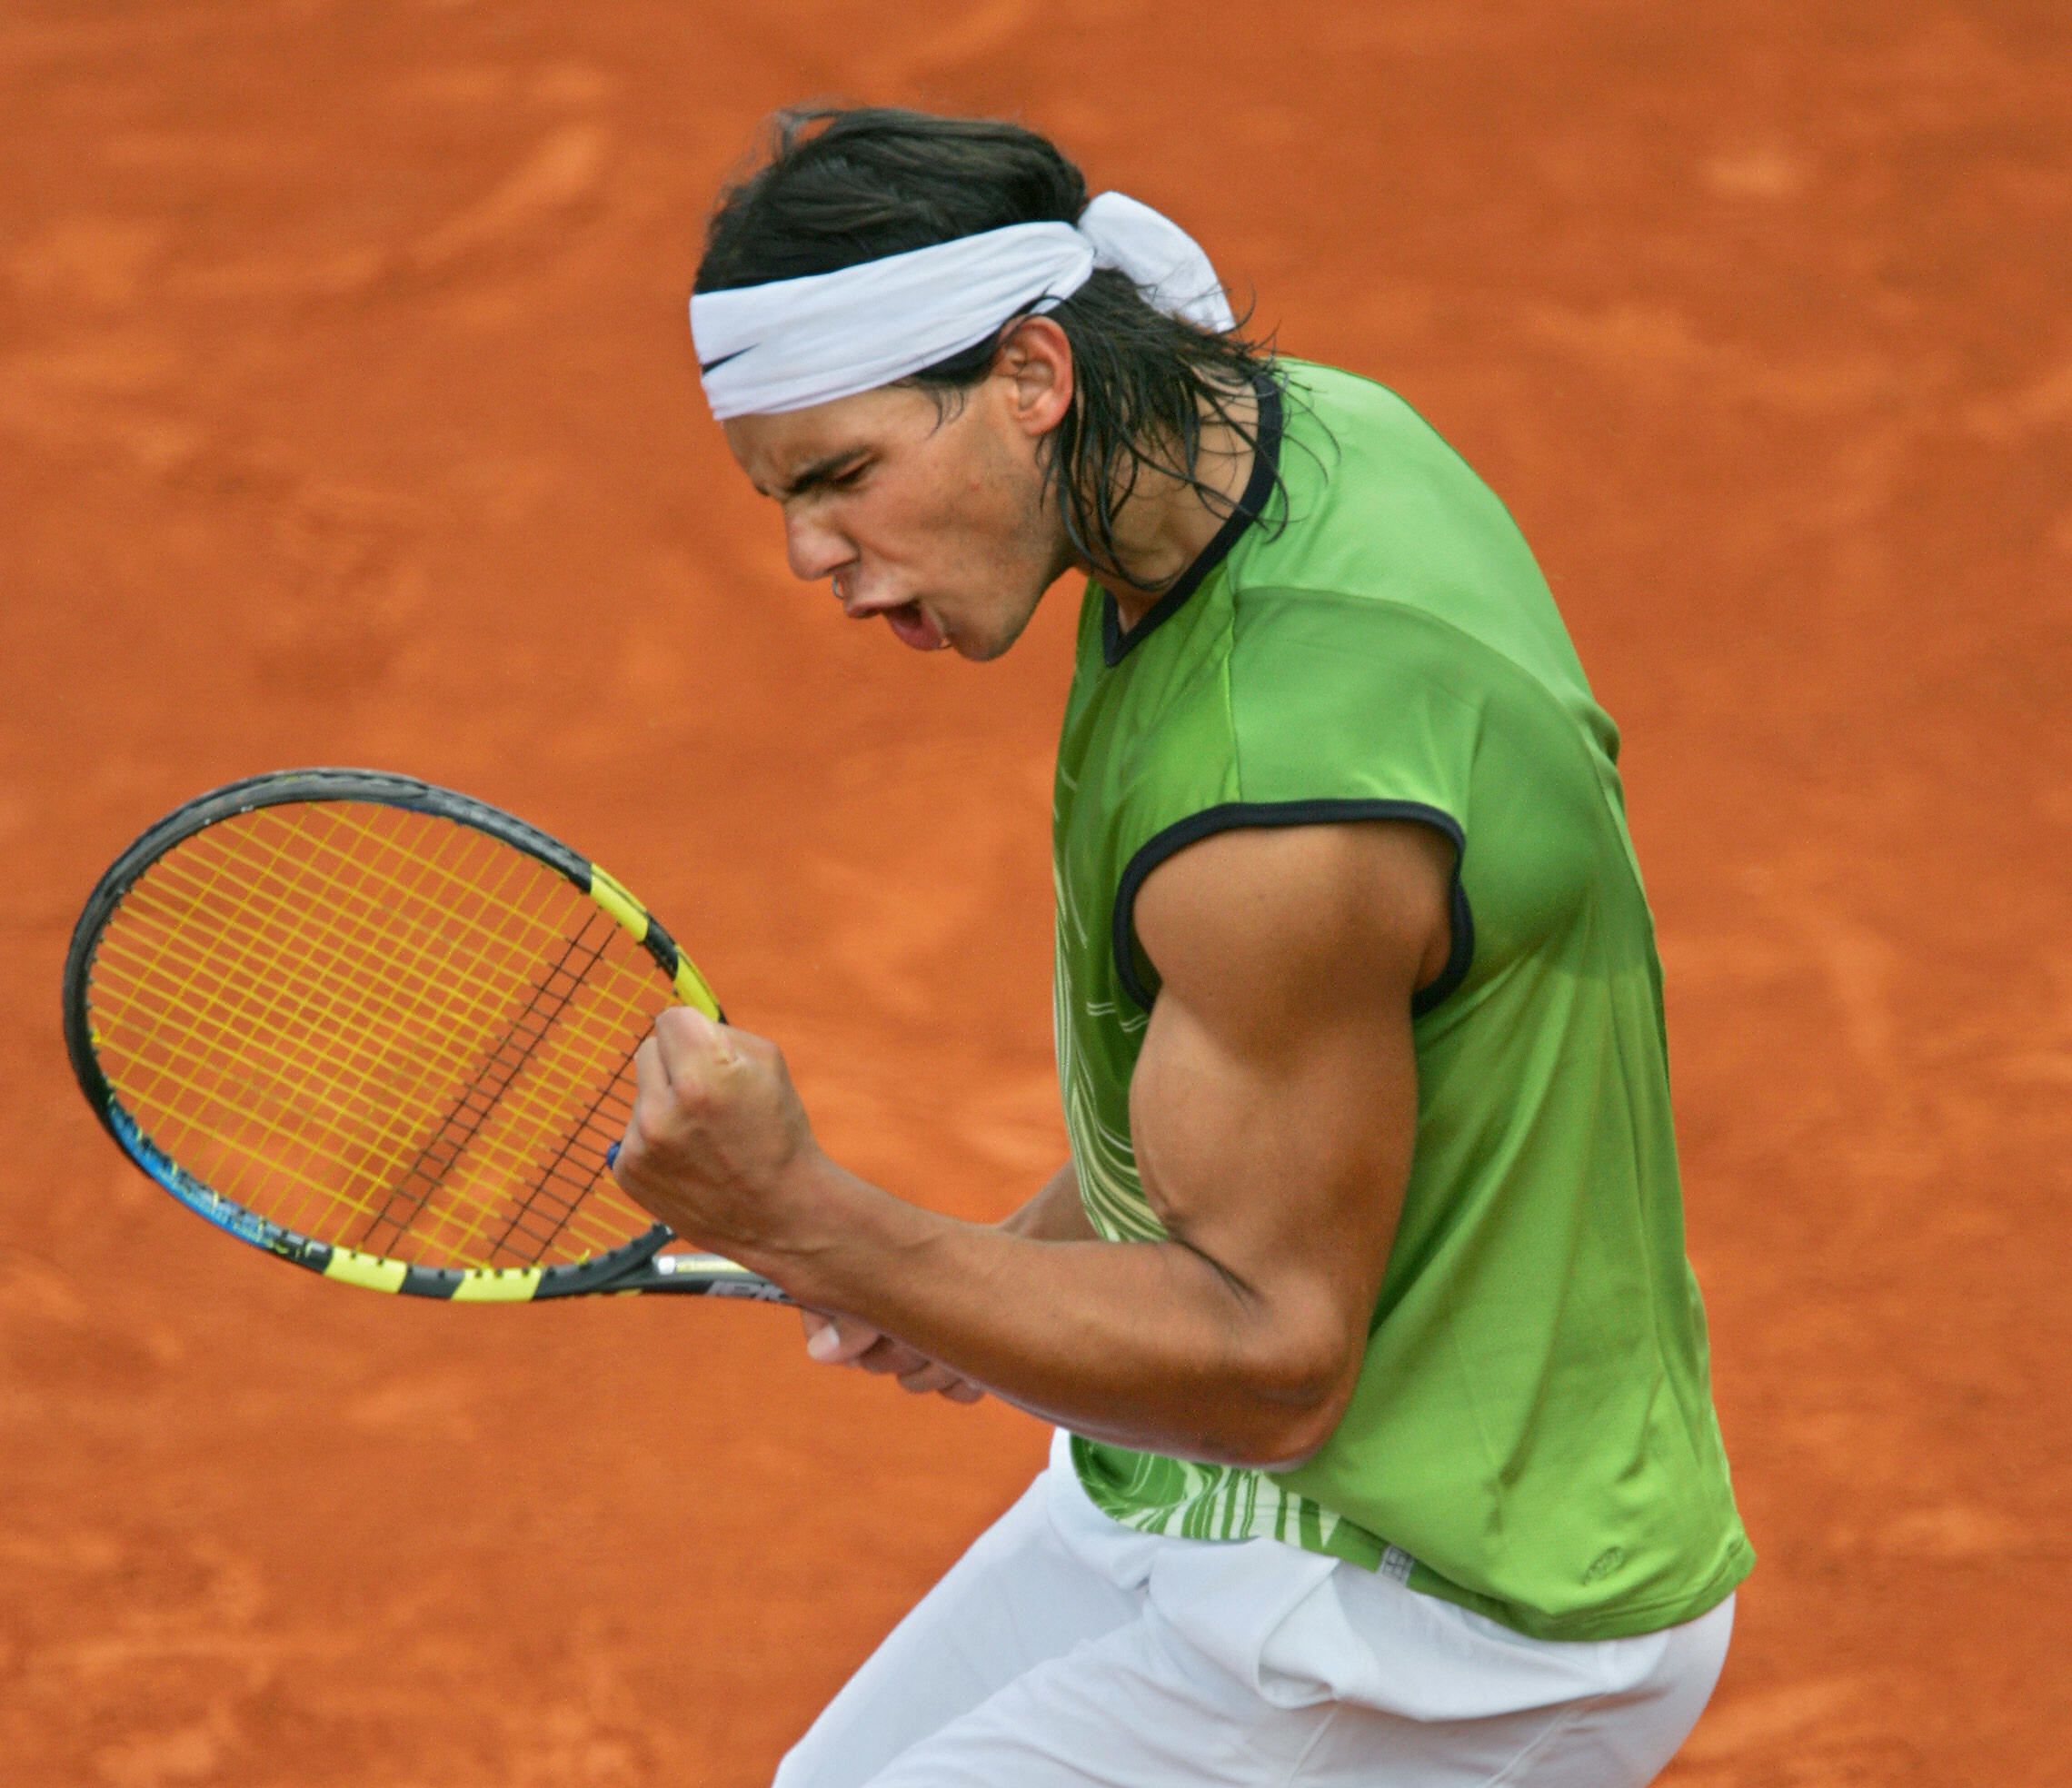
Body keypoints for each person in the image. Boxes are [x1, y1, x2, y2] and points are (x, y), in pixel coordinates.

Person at [611, 105, 1753, 1787]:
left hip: (1441, 1622)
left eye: (844, 476)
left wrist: (819, 1224)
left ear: (1032, 375)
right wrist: (997, 1271)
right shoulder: (1277, 449)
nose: (811, 557)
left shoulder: (1279, 791)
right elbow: (1269, 1084)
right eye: (783, 497)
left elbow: (1273, 1359)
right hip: (1231, 1501)